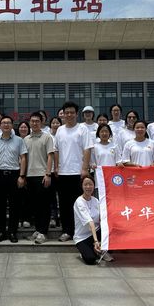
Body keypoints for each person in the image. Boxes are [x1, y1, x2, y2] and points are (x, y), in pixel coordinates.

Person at [54, 101, 93, 242]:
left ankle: (81, 231)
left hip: (78, 173)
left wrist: (84, 168)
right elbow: (56, 150)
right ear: (63, 114)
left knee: (80, 204)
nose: (69, 115)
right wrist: (56, 167)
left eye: (72, 112)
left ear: (77, 114)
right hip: (63, 173)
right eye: (67, 113)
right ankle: (67, 231)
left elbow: (87, 149)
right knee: (64, 204)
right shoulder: (60, 130)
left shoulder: (82, 129)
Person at [0, 115, 28, 243]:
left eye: (8, 123)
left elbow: (23, 158)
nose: (6, 125)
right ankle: (1, 232)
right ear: (0, 125)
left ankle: (12, 232)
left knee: (14, 205)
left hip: (14, 175)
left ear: (12, 126)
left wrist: (22, 176)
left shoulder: (19, 140)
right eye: (4, 123)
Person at [24, 112, 55, 244]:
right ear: (29, 123)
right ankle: (37, 229)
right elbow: (24, 158)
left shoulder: (47, 137)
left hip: (42, 176)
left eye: (37, 121)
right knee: (34, 205)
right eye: (32, 121)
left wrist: (48, 174)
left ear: (42, 122)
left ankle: (43, 232)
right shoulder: (26, 139)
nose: (34, 123)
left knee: (44, 205)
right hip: (29, 176)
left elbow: (50, 156)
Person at [73, 175, 113, 265]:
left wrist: (102, 238)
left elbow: (102, 218)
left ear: (94, 186)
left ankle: (101, 249)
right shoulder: (79, 202)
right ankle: (93, 250)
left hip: (96, 232)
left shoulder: (96, 201)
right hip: (82, 237)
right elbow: (90, 223)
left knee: (111, 232)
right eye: (85, 184)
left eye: (90, 184)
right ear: (82, 186)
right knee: (90, 259)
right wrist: (96, 241)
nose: (88, 187)